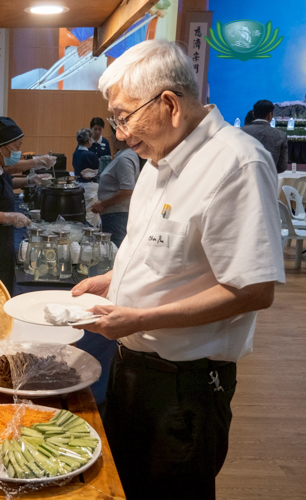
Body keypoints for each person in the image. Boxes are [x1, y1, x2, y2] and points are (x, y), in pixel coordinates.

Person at [71, 40, 284, 500]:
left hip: (183, 386)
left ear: (168, 103)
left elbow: (253, 289)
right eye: (116, 119)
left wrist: (142, 318)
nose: (121, 133)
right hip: (131, 369)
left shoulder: (236, 163)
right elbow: (163, 252)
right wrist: (113, 281)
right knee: (122, 485)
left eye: (124, 116)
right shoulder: (157, 159)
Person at [0, 117, 31, 295]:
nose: (19, 151)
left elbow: (5, 185)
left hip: (1, 245)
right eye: (17, 147)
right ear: (2, 147)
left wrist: (30, 180)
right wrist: (10, 217)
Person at [90, 128, 140, 247]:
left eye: (112, 133)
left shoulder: (125, 158)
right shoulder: (123, 154)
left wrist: (103, 204)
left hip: (117, 214)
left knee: (114, 251)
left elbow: (127, 190)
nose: (111, 137)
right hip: (114, 214)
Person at [241, 99, 288, 173]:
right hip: (268, 180)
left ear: (253, 114)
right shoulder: (281, 135)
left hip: (245, 178)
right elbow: (282, 166)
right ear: (270, 115)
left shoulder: (241, 132)